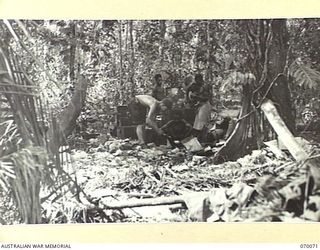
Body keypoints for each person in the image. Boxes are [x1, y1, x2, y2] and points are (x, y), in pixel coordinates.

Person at [185, 73, 212, 140]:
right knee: (198, 123)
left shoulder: (204, 86)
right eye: (197, 80)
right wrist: (190, 101)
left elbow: (206, 98)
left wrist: (196, 97)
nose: (199, 81)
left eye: (200, 80)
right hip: (199, 106)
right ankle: (199, 138)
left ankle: (203, 137)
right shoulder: (193, 86)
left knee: (203, 122)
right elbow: (188, 94)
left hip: (205, 105)